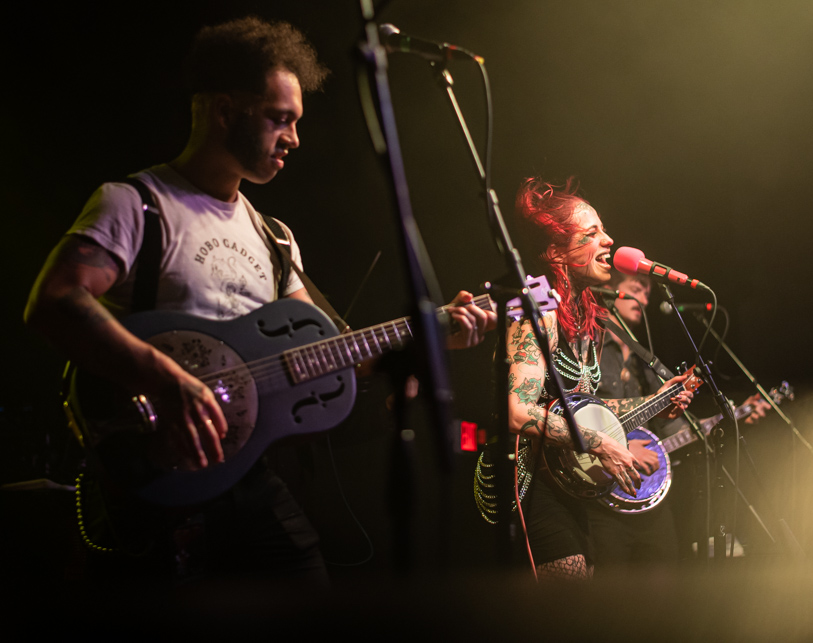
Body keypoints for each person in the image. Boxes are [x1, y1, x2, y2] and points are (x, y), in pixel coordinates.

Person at [23, 17, 494, 588]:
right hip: (154, 473)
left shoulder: (274, 237)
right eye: (281, 119)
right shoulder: (136, 204)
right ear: (225, 111)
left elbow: (333, 351)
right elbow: (54, 300)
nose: (295, 138)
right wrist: (168, 379)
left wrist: (432, 337)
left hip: (251, 477)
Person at [504, 178, 693, 580]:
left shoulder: (588, 320)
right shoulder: (539, 311)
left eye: (604, 230)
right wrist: (599, 443)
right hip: (530, 486)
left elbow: (587, 410)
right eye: (592, 234)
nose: (609, 241)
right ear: (557, 252)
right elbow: (519, 412)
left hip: (569, 487)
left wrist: (657, 399)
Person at [587, 271, 770, 569]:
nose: (643, 298)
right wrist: (620, 447)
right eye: (636, 289)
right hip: (602, 490)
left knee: (667, 578)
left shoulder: (644, 361)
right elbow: (577, 407)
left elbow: (678, 430)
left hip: (647, 495)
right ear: (610, 291)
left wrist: (733, 417)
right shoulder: (589, 348)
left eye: (647, 293)